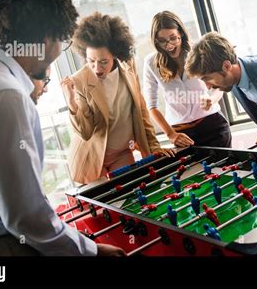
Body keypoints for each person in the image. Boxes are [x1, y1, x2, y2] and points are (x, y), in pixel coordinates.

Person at [0, 0, 124, 256]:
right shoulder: (5, 92)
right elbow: (25, 216)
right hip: (0, 249)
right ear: (47, 39)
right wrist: (91, 252)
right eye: (63, 39)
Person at [61, 12, 174, 184]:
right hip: (91, 157)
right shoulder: (79, 80)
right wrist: (71, 102)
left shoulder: (128, 68)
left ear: (114, 54)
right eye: (91, 61)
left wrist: (154, 146)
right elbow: (86, 132)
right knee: (104, 206)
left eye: (103, 61)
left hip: (122, 152)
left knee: (131, 196)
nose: (97, 68)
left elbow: (141, 111)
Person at [143, 11, 231, 148]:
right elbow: (152, 106)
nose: (169, 45)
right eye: (162, 41)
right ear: (156, 41)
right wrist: (170, 134)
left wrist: (211, 100)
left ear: (181, 34)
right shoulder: (150, 63)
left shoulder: (198, 52)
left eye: (173, 38)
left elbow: (219, 85)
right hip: (180, 134)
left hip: (213, 125)